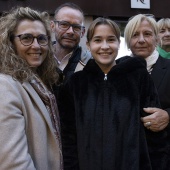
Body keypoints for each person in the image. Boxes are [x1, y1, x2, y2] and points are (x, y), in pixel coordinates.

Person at [59, 17, 167, 170]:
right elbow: (69, 140)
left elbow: (155, 138)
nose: (105, 46)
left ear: (119, 43)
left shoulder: (138, 78)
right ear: (89, 45)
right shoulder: (74, 85)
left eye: (111, 40)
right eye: (98, 40)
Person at [0, 7, 63, 170]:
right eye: (26, 38)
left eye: (42, 39)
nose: (36, 46)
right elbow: (13, 164)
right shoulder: (5, 86)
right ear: (10, 42)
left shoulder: (36, 81)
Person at [123, 14, 170, 168]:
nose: (141, 40)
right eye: (135, 35)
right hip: (125, 158)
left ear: (157, 39)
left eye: (147, 34)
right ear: (128, 41)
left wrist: (168, 115)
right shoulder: (116, 69)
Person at [50, 2, 91, 84]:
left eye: (76, 27)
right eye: (64, 24)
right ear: (52, 26)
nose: (70, 32)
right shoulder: (38, 59)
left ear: (82, 32)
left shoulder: (91, 64)